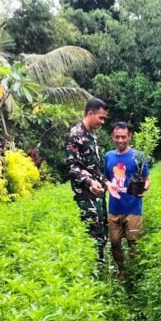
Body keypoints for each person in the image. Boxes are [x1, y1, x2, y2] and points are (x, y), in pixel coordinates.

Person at [103, 122, 150, 280]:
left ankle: (136, 274)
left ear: (130, 137)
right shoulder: (108, 156)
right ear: (112, 137)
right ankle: (121, 272)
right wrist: (107, 184)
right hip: (114, 208)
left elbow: (147, 179)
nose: (120, 140)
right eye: (117, 137)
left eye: (124, 137)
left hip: (133, 208)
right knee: (115, 243)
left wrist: (145, 187)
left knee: (134, 243)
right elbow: (105, 178)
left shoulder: (139, 156)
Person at [65, 97, 109, 266]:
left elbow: (95, 167)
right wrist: (90, 182)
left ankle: (100, 269)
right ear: (90, 113)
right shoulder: (75, 135)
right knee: (93, 235)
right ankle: (93, 275)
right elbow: (72, 167)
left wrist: (105, 182)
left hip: (97, 194)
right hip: (85, 195)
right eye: (101, 117)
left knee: (101, 232)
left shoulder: (92, 136)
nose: (103, 122)